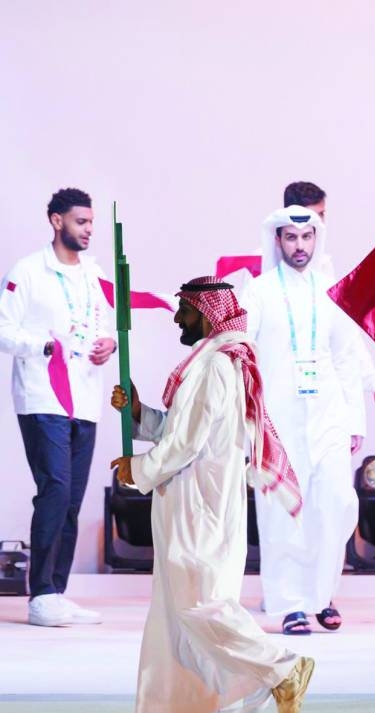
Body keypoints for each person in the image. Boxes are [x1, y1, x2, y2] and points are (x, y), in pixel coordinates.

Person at [109, 277, 313, 713]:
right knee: (176, 614)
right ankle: (182, 703)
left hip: (198, 503)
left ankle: (281, 668)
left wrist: (138, 468)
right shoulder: (207, 363)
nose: (177, 319)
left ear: (206, 313)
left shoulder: (216, 365)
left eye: (183, 310)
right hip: (185, 497)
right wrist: (140, 414)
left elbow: (186, 443)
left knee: (199, 604)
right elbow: (178, 429)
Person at [240, 206, 366, 635]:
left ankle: (322, 595)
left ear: (317, 240)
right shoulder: (256, 292)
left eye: (306, 237)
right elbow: (244, 356)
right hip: (278, 419)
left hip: (328, 414)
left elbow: (347, 358)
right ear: (277, 241)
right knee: (282, 512)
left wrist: (355, 421)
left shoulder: (333, 291)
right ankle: (290, 604)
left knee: (335, 503)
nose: (299, 246)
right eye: (291, 238)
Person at [0, 188, 115, 627]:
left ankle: (58, 593)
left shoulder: (94, 272)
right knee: (55, 490)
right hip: (43, 396)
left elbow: (106, 323)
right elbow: (4, 329)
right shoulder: (28, 271)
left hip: (84, 400)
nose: (88, 230)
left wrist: (112, 344)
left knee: (72, 500)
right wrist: (45, 346)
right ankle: (40, 594)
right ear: (56, 221)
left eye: (91, 223)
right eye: (80, 222)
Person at [283, 180, 375, 408]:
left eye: (322, 216)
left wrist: (374, 381)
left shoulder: (323, 268)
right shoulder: (261, 270)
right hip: (280, 386)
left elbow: (345, 332)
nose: (320, 225)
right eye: (314, 217)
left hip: (319, 386)